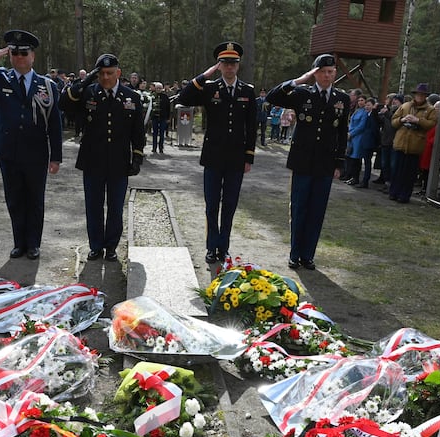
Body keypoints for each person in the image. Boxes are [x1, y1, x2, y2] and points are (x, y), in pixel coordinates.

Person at [0, 29, 63, 260]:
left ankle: (33, 244)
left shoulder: (47, 85)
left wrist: (56, 156)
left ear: (33, 56)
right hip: (9, 150)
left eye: (23, 53)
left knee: (35, 199)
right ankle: (19, 243)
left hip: (36, 152)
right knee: (14, 198)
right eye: (14, 53)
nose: (19, 58)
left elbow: (55, 123)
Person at [266, 54, 350, 270]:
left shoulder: (342, 98)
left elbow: (342, 133)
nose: (327, 75)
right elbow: (273, 97)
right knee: (299, 208)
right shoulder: (303, 93)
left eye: (331, 72)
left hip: (325, 163)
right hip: (302, 162)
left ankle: (308, 255)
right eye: (322, 72)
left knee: (317, 210)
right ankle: (295, 254)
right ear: (315, 73)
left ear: (335, 74)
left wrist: (339, 164)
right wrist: (298, 80)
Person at [177, 41, 257, 264]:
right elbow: (184, 98)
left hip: (236, 159)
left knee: (229, 205)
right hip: (213, 157)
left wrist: (249, 156)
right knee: (212, 205)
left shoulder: (247, 91)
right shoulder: (210, 88)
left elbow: (251, 127)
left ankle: (224, 247)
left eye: (233, 63)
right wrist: (204, 76)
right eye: (225, 63)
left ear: (238, 66)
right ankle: (212, 247)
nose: (229, 67)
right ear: (219, 66)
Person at [60, 53, 144, 263]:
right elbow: (64, 103)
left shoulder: (131, 97)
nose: (106, 78)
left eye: (109, 73)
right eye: (101, 74)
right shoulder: (88, 93)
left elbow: (138, 132)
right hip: (92, 161)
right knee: (93, 206)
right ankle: (95, 246)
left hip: (119, 163)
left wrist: (137, 157)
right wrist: (87, 79)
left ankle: (111, 247)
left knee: (115, 208)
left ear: (118, 72)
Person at [389, 83, 437, 203]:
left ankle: (404, 195)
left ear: (425, 96)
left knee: (409, 174)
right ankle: (393, 192)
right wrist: (402, 119)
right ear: (414, 95)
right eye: (418, 94)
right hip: (401, 143)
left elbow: (432, 124)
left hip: (415, 146)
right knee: (396, 171)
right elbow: (393, 121)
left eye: (422, 95)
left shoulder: (430, 110)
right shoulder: (405, 106)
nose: (419, 96)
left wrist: (418, 120)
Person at [149, 82, 170, 153]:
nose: (158, 89)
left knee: (161, 133)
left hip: (163, 118)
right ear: (155, 88)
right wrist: (150, 118)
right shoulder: (152, 96)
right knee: (154, 133)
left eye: (160, 88)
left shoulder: (165, 97)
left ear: (162, 89)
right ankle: (154, 148)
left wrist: (168, 118)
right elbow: (150, 108)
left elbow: (168, 108)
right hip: (154, 117)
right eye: (157, 88)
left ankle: (161, 148)